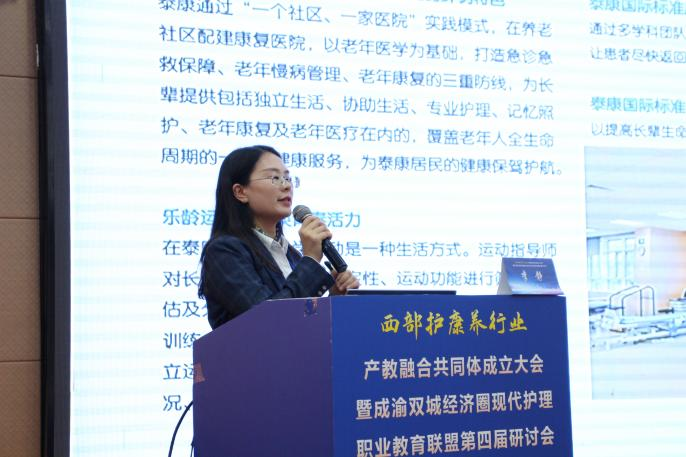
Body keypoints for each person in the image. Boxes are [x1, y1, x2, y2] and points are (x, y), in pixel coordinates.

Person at [199, 145, 360, 329]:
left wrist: (334, 298)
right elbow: (267, 320)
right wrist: (311, 261)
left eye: (287, 178)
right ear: (240, 192)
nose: (286, 186)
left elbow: (301, 327)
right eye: (274, 178)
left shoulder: (291, 255)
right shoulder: (224, 251)